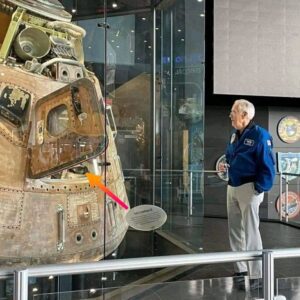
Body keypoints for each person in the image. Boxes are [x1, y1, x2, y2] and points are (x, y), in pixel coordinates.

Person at [224, 99, 275, 289]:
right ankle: (241, 269)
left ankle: (257, 275)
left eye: (233, 112)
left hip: (249, 188)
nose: (230, 115)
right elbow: (231, 155)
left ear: (245, 115)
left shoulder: (261, 136)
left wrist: (258, 188)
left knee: (251, 232)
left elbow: (268, 166)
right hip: (233, 186)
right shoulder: (235, 135)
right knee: (235, 230)